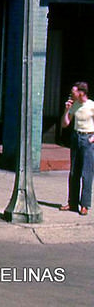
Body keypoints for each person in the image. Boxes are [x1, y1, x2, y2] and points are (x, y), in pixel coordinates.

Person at [60, 81, 94, 216]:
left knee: (87, 173)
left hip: (88, 140)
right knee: (74, 172)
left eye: (73, 92)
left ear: (81, 93)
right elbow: (65, 124)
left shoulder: (91, 105)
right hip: (76, 138)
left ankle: (84, 204)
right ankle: (72, 202)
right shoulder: (74, 105)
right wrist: (66, 110)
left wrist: (92, 138)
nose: (71, 94)